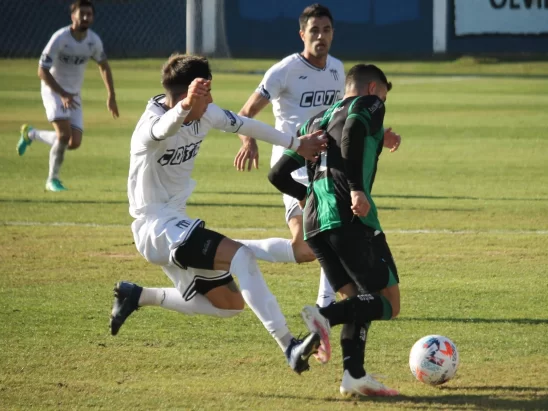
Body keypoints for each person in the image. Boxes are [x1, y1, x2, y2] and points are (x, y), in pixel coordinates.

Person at [109, 54, 332, 374]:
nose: (211, 100)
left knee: (229, 306)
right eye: (205, 94)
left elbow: (246, 124)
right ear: (190, 94)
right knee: (241, 256)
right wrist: (186, 105)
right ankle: (289, 346)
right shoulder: (150, 127)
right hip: (156, 226)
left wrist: (295, 143)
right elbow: (163, 128)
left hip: (176, 224)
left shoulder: (206, 114)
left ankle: (138, 295)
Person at [233, 4, 402, 310]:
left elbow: (346, 115)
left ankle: (327, 303)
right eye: (314, 30)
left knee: (322, 234)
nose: (320, 36)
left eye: (326, 30)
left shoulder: (338, 69)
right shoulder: (284, 71)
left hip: (326, 164)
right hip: (294, 166)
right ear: (302, 34)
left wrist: (377, 135)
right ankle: (235, 250)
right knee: (306, 245)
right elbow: (246, 113)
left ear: (333, 33)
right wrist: (250, 141)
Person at [268, 64, 400, 396]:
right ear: (372, 89)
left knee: (359, 298)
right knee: (388, 302)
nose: (382, 106)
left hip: (315, 224)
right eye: (383, 96)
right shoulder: (367, 105)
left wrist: (304, 197)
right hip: (349, 218)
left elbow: (278, 174)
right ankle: (325, 317)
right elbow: (355, 127)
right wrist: (356, 188)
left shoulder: (314, 122)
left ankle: (353, 375)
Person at [16, 0, 119, 191]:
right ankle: (52, 180)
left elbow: (103, 65)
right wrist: (62, 94)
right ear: (73, 17)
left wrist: (111, 95)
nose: (86, 18)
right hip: (53, 90)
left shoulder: (93, 41)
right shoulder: (60, 38)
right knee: (63, 135)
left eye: (89, 14)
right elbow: (42, 71)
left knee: (73, 142)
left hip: (73, 95)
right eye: (83, 14)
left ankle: (31, 134)